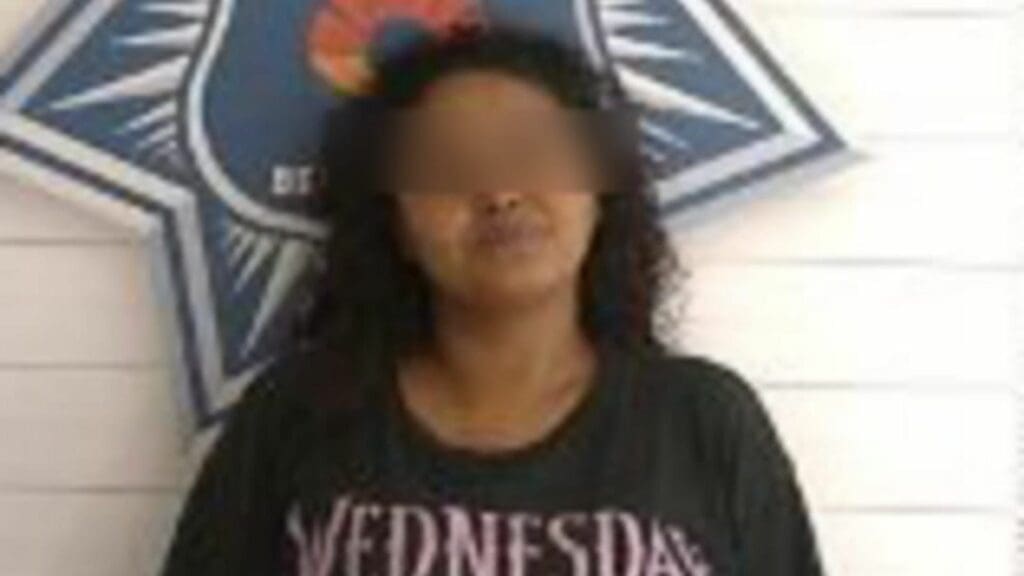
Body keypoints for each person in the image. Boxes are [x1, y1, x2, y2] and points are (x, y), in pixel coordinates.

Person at [160, 23, 825, 576]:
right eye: (449, 165)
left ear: (599, 190)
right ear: (396, 224)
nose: (500, 192)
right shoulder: (297, 412)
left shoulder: (704, 421)